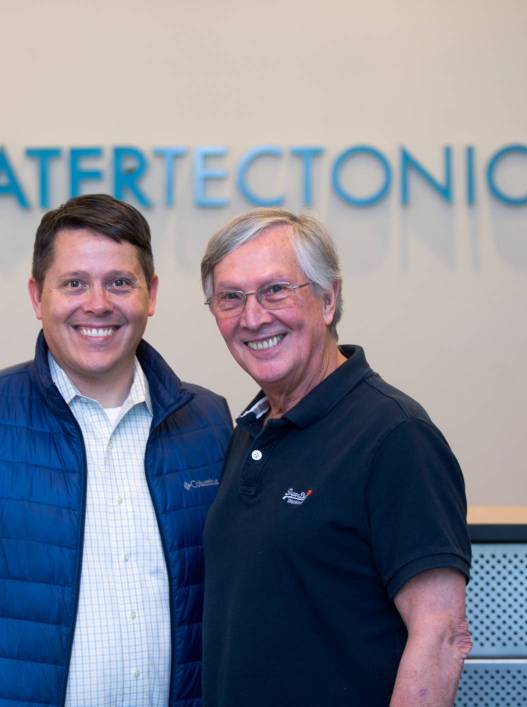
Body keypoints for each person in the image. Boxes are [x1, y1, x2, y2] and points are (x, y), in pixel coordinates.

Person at [0, 194, 232, 707]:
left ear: (151, 294)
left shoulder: (209, 423)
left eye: (120, 282)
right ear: (37, 297)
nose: (97, 303)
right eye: (74, 283)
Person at [199, 208, 472, 706]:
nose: (253, 316)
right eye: (230, 298)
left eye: (276, 290)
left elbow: (442, 635)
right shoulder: (247, 430)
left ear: (328, 299)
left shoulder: (395, 435)